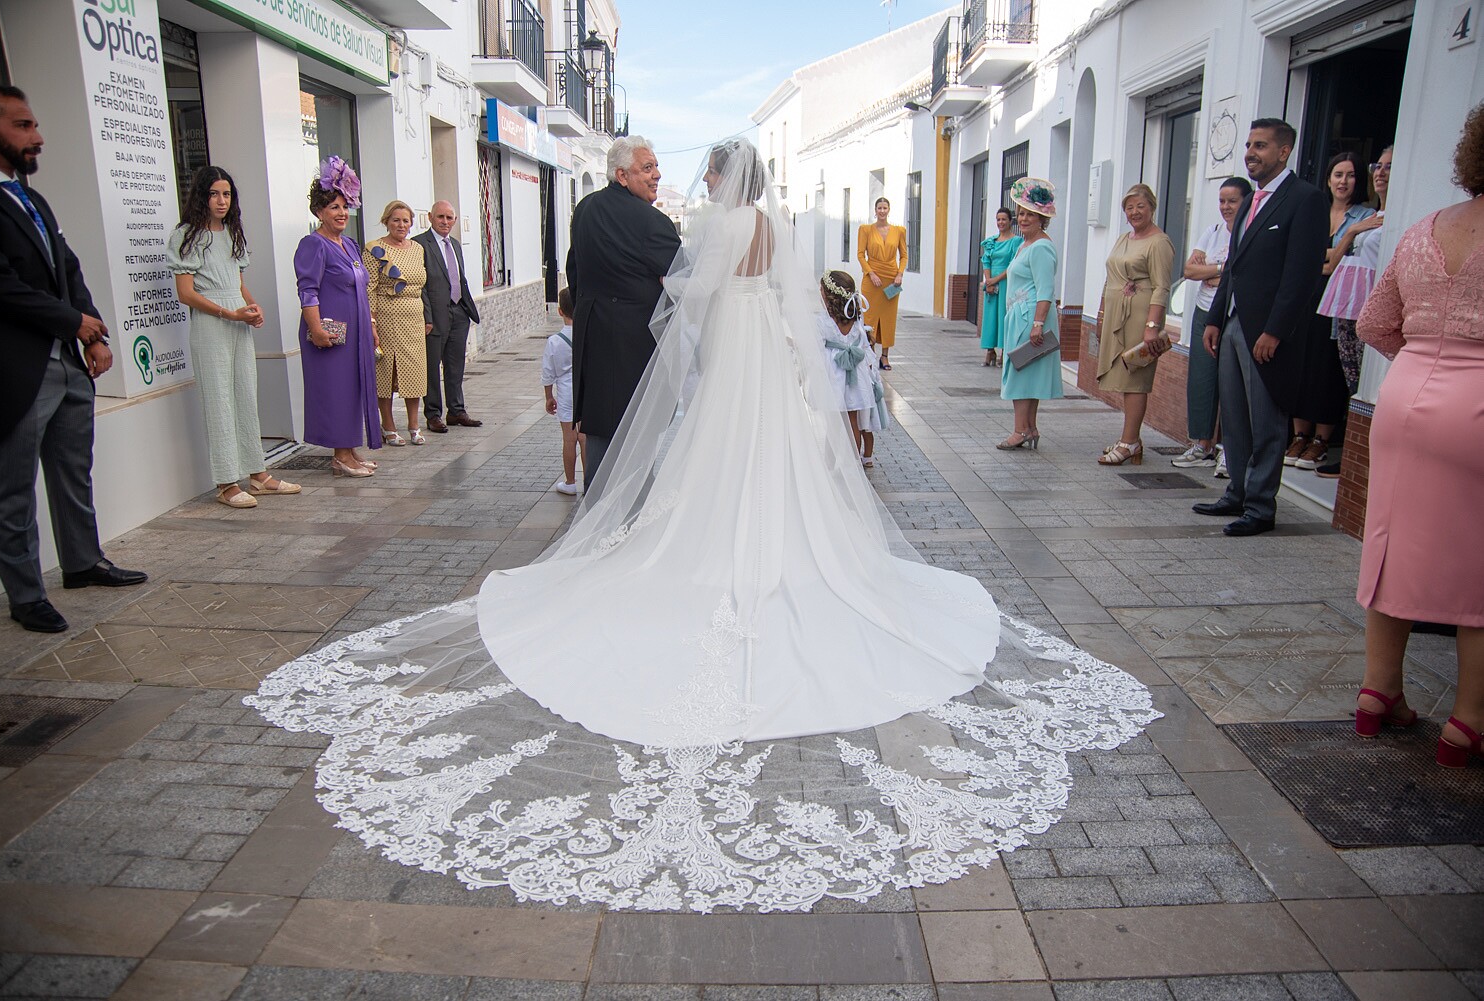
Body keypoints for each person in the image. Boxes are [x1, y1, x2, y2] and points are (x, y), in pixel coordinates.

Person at [245, 137, 1158, 914]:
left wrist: (685, 338)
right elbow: (790, 305)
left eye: (710, 173)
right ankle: (785, 557)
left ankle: (702, 553)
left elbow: (692, 299)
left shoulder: (717, 227)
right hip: (768, 358)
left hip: (731, 356)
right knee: (774, 461)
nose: (701, 183)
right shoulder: (777, 227)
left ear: (724, 179)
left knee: (711, 460)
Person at [0, 85, 146, 633]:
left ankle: (81, 563)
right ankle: (25, 595)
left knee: (73, 470)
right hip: (14, 369)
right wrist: (71, 322)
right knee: (11, 489)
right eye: (23, 126)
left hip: (69, 362)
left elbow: (68, 269)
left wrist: (92, 331)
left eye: (34, 125)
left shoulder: (31, 198)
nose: (38, 136)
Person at [1353, 104, 1484, 767]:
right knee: (1478, 562)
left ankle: (1378, 692)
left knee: (1390, 542)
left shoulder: (1423, 229)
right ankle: (1468, 722)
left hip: (1403, 398)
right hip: (1476, 403)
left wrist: (1426, 357)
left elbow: (1373, 323)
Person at [1194, 118, 1328, 537]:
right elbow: (1234, 267)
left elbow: (1301, 275)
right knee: (1234, 417)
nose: (1251, 153)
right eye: (1249, 145)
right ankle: (1236, 492)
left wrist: (1275, 330)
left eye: (1261, 146)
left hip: (1267, 332)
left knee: (1266, 421)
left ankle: (1260, 506)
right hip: (1233, 324)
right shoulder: (1251, 200)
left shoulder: (1305, 199)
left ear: (1284, 152)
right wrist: (1215, 318)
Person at [168, 166, 299, 509]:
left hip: (238, 322)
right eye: (214, 194)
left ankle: (258, 474)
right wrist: (229, 313)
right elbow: (185, 293)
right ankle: (226, 483)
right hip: (211, 325)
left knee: (245, 396)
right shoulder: (186, 236)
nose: (221, 200)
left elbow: (238, 283)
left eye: (226, 194)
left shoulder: (232, 233)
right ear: (202, 197)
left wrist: (252, 307)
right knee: (219, 401)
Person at [566, 135, 681, 489]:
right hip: (635, 347)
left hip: (593, 343)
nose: (657, 175)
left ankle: (596, 508)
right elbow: (682, 282)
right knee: (637, 437)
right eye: (647, 168)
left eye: (656, 167)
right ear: (621, 175)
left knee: (600, 436)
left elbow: (574, 273)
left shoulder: (584, 210)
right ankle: (629, 513)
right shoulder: (652, 222)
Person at [1286, 152, 1375, 472]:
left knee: (1327, 370)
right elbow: (1298, 255)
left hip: (1340, 302)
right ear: (1328, 179)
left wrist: (1330, 251)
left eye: (1350, 175)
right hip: (1306, 300)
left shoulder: (1367, 216)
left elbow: (1338, 263)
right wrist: (1336, 249)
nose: (1343, 181)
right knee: (1302, 366)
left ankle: (1321, 441)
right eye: (1338, 174)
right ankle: (1299, 436)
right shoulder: (1315, 210)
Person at [294, 156, 382, 478]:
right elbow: (308, 290)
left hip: (357, 333)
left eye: (345, 206)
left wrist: (371, 325)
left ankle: (349, 450)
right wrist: (316, 329)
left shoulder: (349, 245)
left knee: (354, 390)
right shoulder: (313, 244)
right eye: (334, 207)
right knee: (336, 391)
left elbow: (362, 289)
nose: (342, 213)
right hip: (330, 334)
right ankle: (340, 456)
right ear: (320, 211)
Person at [1316, 147, 1391, 478]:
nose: (1381, 172)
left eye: (1389, 167)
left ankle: (1362, 459)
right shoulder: (1373, 217)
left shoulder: (1381, 217)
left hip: (1371, 309)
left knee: (1366, 382)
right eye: (1379, 165)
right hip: (1347, 308)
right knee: (1353, 381)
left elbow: (1333, 262)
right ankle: (1350, 456)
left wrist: (1349, 234)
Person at [1174, 176, 1252, 472]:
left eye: (1233, 201)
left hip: (1234, 313)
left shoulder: (1249, 233)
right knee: (1202, 379)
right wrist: (1223, 268)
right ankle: (1202, 445)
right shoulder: (1213, 232)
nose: (1226, 206)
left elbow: (1243, 272)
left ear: (1247, 202)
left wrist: (1216, 272)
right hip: (1204, 310)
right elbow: (1190, 270)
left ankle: (1231, 451)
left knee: (1232, 384)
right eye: (1222, 201)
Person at [1095, 184, 1176, 466]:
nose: (1134, 212)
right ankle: (1130, 438)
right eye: (1129, 207)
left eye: (1140, 206)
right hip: (1116, 314)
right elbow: (1110, 279)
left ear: (1152, 207)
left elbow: (1162, 287)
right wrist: (1101, 314)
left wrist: (1152, 325)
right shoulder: (1123, 238)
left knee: (1135, 380)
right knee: (1124, 379)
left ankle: (1129, 442)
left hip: (1140, 317)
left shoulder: (1159, 242)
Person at [997, 178, 1063, 450]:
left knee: (1020, 372)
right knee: (1027, 371)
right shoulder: (1025, 244)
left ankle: (1020, 430)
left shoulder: (1041, 247)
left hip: (1030, 317)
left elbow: (1045, 290)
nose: (1023, 219)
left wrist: (1037, 323)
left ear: (1042, 219)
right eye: (1021, 213)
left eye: (1030, 215)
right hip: (1021, 316)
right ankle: (1030, 428)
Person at [364, 200, 431, 446]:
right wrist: (371, 322)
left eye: (405, 221)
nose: (401, 225)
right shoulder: (374, 249)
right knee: (386, 373)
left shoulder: (417, 249)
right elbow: (369, 288)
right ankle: (388, 426)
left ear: (411, 224)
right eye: (396, 220)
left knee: (415, 371)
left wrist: (428, 318)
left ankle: (414, 425)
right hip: (387, 318)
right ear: (386, 222)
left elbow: (423, 287)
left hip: (414, 318)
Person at [420, 200, 481, 434]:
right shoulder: (420, 244)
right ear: (430, 217)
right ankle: (433, 414)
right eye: (440, 217)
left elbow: (458, 278)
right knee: (432, 367)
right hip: (435, 315)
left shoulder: (454, 244)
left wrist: (466, 309)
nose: (445, 222)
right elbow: (421, 285)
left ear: (454, 220)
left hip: (458, 312)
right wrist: (427, 317)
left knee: (455, 365)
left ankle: (456, 410)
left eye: (449, 218)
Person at [818, 269, 879, 465]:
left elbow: (817, 347)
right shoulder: (856, 318)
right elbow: (863, 345)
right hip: (855, 372)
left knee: (833, 423)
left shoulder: (824, 320)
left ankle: (829, 463)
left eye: (821, 290)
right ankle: (854, 464)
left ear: (829, 295)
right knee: (853, 420)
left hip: (835, 374)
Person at [542, 286, 584, 496]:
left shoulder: (554, 341)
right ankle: (590, 481)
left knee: (569, 438)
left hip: (566, 393)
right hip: (585, 390)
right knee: (584, 438)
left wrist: (549, 396)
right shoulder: (587, 335)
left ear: (560, 311)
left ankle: (570, 482)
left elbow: (548, 373)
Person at [857, 197, 907, 370]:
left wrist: (900, 274)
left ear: (889, 210)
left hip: (892, 280)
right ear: (875, 210)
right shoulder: (866, 230)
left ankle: (885, 356)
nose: (882, 211)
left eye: (885, 208)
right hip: (872, 279)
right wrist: (870, 273)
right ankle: (870, 354)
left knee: (888, 318)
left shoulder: (899, 231)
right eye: (879, 208)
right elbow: (860, 254)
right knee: (869, 317)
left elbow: (904, 255)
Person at [979, 208, 1021, 367]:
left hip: (1006, 282)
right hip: (991, 282)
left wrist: (996, 280)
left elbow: (1012, 265)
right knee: (990, 316)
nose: (1001, 222)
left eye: (1004, 219)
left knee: (1004, 315)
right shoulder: (991, 241)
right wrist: (988, 281)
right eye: (998, 219)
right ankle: (990, 350)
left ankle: (1004, 351)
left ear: (1010, 221)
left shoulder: (1016, 242)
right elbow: (986, 261)